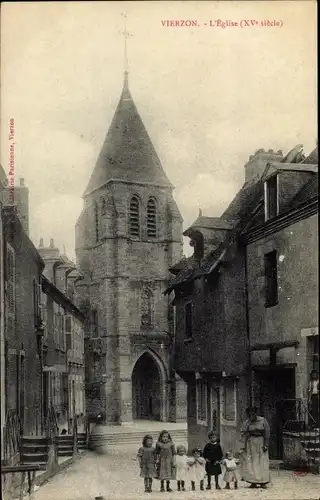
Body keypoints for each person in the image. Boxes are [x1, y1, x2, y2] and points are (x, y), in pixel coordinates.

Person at [240, 406, 270, 489]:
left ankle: (263, 482)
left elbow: (267, 433)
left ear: (256, 413)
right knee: (251, 463)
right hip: (250, 443)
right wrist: (243, 446)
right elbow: (243, 433)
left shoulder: (263, 420)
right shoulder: (247, 422)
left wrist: (266, 445)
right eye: (249, 413)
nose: (251, 415)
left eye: (253, 413)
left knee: (261, 462)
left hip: (260, 442)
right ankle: (253, 482)